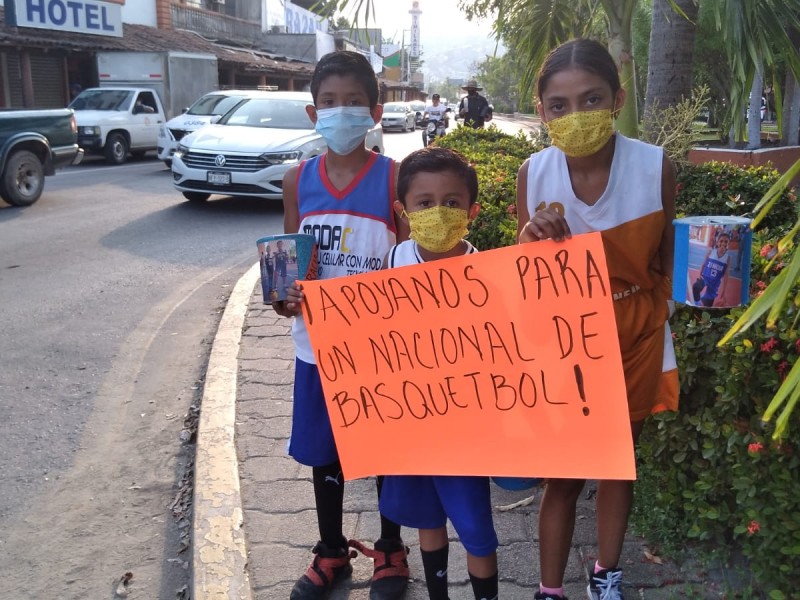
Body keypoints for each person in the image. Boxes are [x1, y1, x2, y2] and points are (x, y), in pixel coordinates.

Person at [515, 38, 678, 600]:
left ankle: (607, 575)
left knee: (618, 464)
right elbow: (524, 272)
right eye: (558, 105)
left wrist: (674, 304)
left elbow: (665, 263)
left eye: (591, 99)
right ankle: (549, 588)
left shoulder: (656, 166)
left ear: (617, 99)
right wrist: (529, 237)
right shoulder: (533, 172)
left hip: (634, 335)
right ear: (541, 111)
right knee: (561, 474)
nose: (575, 114)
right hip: (564, 346)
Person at [275, 50, 412, 600]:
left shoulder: (395, 179)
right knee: (323, 452)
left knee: (382, 453)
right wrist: (286, 298)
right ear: (313, 114)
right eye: (329, 103)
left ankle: (390, 549)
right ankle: (331, 551)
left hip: (379, 350)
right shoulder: (296, 181)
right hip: (315, 348)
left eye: (354, 102)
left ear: (375, 111)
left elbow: (411, 261)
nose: (341, 112)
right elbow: (290, 263)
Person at [378, 146, 497, 600]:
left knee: (476, 529)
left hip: (466, 429)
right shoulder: (392, 263)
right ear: (402, 211)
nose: (438, 212)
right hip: (412, 427)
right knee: (427, 518)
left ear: (472, 211)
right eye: (424, 203)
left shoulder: (488, 272)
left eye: (452, 202)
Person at [692, 230, 731, 307]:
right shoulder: (710, 252)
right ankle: (697, 302)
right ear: (717, 242)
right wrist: (699, 275)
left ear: (728, 244)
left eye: (726, 242)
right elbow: (703, 264)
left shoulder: (728, 258)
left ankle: (703, 300)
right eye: (721, 241)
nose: (723, 243)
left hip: (714, 284)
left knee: (707, 306)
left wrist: (724, 291)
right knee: (696, 287)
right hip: (705, 278)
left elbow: (726, 275)